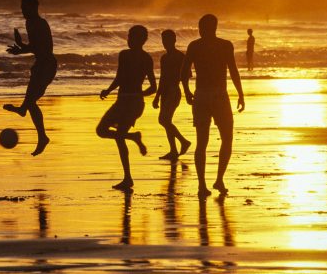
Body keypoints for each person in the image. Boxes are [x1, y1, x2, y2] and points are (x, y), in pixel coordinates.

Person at [181, 14, 244, 198]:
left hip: (201, 95)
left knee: (202, 142)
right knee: (227, 138)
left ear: (203, 28)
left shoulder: (195, 46)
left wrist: (186, 91)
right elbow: (233, 71)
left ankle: (202, 185)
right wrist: (240, 94)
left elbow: (183, 72)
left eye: (201, 27)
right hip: (218, 95)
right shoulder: (225, 45)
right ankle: (218, 179)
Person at [97, 25, 156, 191]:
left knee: (118, 137)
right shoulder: (135, 56)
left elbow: (151, 86)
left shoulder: (138, 57)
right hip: (125, 102)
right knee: (101, 130)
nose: (128, 40)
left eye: (131, 37)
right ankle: (134, 137)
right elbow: (122, 78)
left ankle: (128, 178)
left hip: (130, 103)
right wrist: (109, 90)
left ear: (140, 40)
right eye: (128, 36)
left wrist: (137, 96)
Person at [3, 0, 57, 156]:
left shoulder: (41, 24)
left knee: (31, 102)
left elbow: (44, 49)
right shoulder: (29, 23)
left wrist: (21, 47)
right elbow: (34, 47)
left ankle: (37, 131)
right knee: (31, 102)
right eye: (21, 8)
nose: (22, 11)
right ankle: (40, 134)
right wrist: (20, 48)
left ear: (34, 8)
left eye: (24, 8)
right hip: (39, 65)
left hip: (47, 66)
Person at [152, 29, 191, 161]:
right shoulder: (164, 58)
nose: (165, 43)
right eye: (163, 40)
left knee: (163, 120)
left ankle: (184, 142)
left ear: (174, 40)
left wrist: (187, 91)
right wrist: (157, 96)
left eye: (167, 40)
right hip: (165, 91)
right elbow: (162, 78)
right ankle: (173, 150)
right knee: (166, 121)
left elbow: (186, 76)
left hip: (174, 91)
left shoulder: (180, 56)